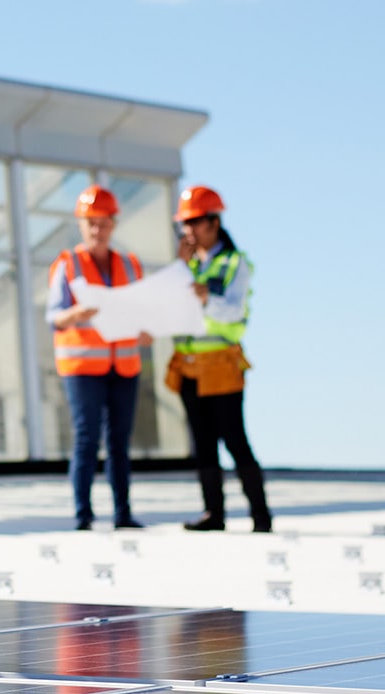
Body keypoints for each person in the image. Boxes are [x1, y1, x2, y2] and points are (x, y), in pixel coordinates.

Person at [167, 185, 271, 533]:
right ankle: (214, 514)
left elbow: (232, 311)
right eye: (184, 224)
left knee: (234, 439)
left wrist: (203, 296)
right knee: (203, 443)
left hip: (222, 366)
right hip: (189, 367)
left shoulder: (234, 262)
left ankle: (260, 514)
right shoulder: (188, 265)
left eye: (194, 222)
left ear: (213, 222)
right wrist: (181, 271)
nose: (188, 231)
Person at [46, 185, 150, 531]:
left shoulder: (130, 264)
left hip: (123, 363)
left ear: (113, 224)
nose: (97, 230)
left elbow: (143, 311)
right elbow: (53, 317)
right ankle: (83, 516)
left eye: (103, 223)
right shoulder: (68, 264)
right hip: (83, 366)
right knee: (87, 439)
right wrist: (75, 313)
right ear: (81, 223)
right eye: (91, 223)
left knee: (119, 442)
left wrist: (145, 329)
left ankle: (123, 514)